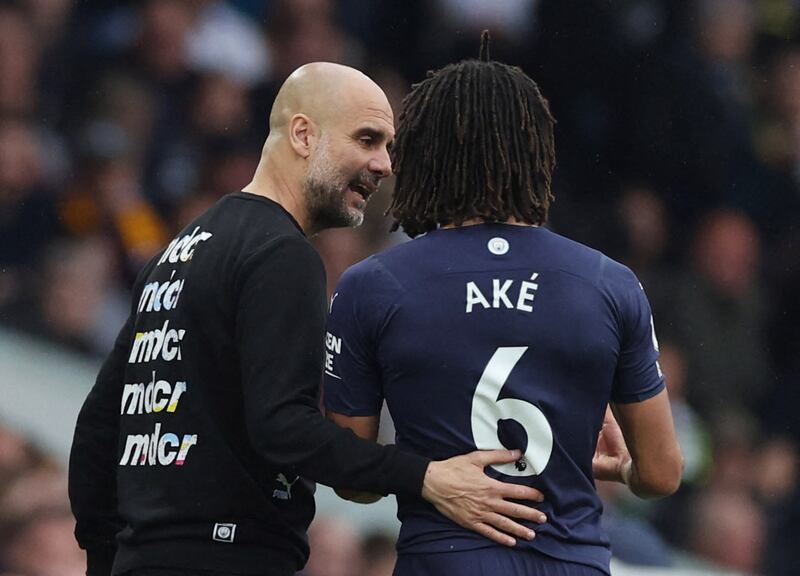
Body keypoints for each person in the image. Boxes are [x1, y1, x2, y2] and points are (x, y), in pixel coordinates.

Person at [68, 62, 547, 576]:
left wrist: (107, 557)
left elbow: (99, 428)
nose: (384, 164)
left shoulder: (181, 250)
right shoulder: (280, 252)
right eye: (367, 139)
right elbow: (284, 429)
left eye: (388, 146)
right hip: (228, 555)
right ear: (302, 134)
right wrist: (425, 476)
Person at [322, 35, 684, 576]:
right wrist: (623, 470)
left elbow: (352, 479)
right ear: (537, 153)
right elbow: (661, 474)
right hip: (573, 562)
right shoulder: (610, 283)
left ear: (422, 154)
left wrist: (427, 475)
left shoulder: (372, 285)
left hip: (444, 561)